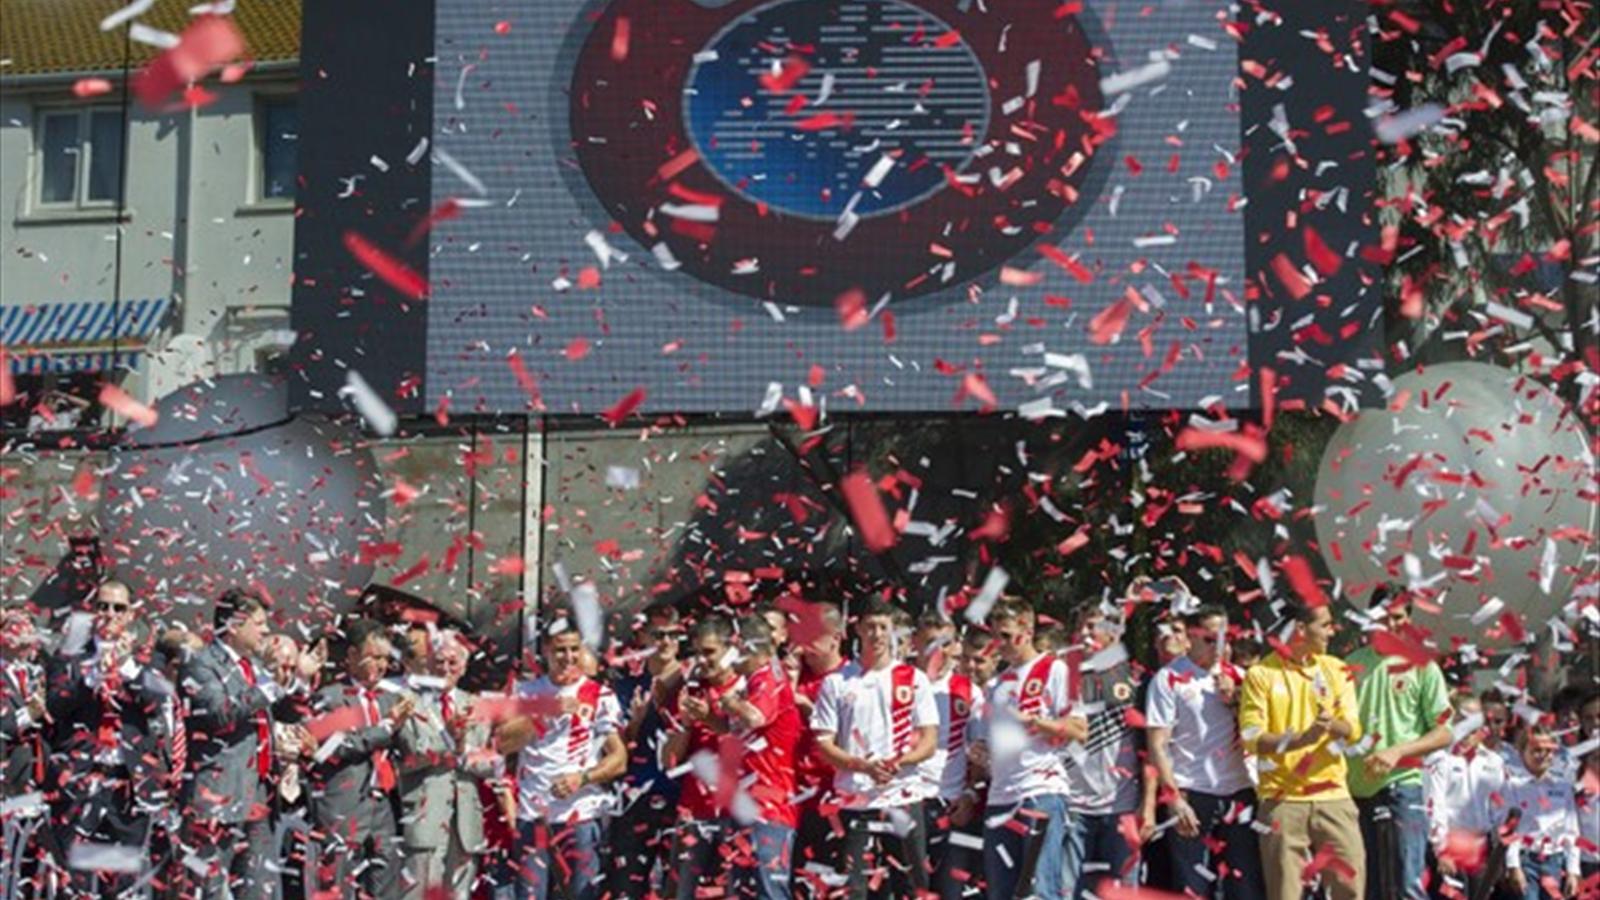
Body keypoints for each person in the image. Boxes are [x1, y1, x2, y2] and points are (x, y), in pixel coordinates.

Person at [45, 580, 177, 897]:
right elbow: (55, 705)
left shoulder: (147, 660)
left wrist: (127, 667)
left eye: (118, 608)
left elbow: (157, 703)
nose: (110, 613)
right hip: (83, 779)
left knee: (120, 880)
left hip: (126, 783)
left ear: (130, 614)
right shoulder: (69, 654)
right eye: (102, 606)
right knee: (77, 878)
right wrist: (90, 677)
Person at [810, 599, 939, 900]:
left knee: (913, 887)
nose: (877, 634)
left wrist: (898, 762)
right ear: (857, 629)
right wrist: (863, 766)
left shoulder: (914, 678)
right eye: (870, 627)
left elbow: (930, 741)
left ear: (893, 631)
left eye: (883, 627)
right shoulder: (837, 682)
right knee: (852, 888)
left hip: (903, 797)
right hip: (855, 799)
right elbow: (824, 744)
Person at [1238, 599, 1364, 900]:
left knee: (1350, 889)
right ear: (1300, 629)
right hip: (1281, 801)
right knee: (1285, 893)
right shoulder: (1261, 674)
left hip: (1334, 796)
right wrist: (1302, 740)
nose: (1331, 632)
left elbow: (1354, 730)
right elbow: (1251, 738)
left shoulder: (1336, 668)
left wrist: (1332, 725)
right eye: (1325, 625)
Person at [1146, 604, 1264, 900]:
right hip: (1193, 792)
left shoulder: (1240, 677)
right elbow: (1158, 743)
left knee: (1245, 884)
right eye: (1211, 639)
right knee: (1193, 886)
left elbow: (1258, 736)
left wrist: (1235, 702)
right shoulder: (1168, 678)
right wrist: (1173, 798)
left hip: (1238, 792)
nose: (1219, 647)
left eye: (1225, 639)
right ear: (1190, 638)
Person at [970, 597, 1085, 900]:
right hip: (1000, 795)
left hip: (1040, 791)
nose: (1000, 644)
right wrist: (981, 752)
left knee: (1039, 890)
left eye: (1006, 636)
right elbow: (990, 741)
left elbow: (1078, 730)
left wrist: (1034, 721)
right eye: (996, 637)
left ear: (1028, 629)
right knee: (1000, 892)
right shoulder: (996, 685)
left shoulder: (1058, 669)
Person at [178, 587, 288, 900]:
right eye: (259, 623)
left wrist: (294, 681)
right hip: (218, 798)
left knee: (258, 890)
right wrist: (267, 685)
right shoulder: (200, 664)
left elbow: (275, 712)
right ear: (234, 625)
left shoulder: (253, 668)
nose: (267, 630)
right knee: (210, 892)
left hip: (257, 796)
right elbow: (219, 714)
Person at [1346, 591, 1454, 900]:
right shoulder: (1349, 666)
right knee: (1367, 888)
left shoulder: (1423, 666)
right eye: (1383, 617)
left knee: (1407, 883)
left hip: (1403, 787)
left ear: (1408, 621)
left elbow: (1444, 732)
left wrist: (1398, 751)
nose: (1390, 624)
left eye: (1398, 618)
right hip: (1356, 791)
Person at [508, 620, 626, 900]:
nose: (569, 657)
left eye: (575, 649)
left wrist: (582, 778)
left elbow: (619, 759)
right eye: (561, 650)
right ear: (547, 650)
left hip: (580, 815)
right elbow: (503, 743)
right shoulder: (526, 692)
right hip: (534, 814)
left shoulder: (599, 694)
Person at [308, 618, 414, 898]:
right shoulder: (329, 697)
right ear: (353, 655)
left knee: (384, 886)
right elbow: (335, 747)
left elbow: (407, 748)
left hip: (384, 807)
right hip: (345, 806)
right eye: (374, 657)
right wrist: (386, 727)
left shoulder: (390, 699)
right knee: (338, 886)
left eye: (386, 659)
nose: (381, 666)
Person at [396, 629, 497, 899]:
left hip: (465, 820)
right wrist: (449, 742)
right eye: (439, 661)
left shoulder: (476, 705)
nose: (445, 668)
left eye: (453, 662)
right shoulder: (409, 701)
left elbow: (488, 765)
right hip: (426, 816)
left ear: (463, 668)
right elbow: (408, 756)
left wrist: (464, 750)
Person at [1064, 603, 1152, 899]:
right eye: (1083, 627)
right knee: (1067, 892)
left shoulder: (1137, 679)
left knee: (1122, 892)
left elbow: (1151, 747)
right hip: (1072, 806)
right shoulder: (1062, 675)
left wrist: (1148, 805)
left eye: (1094, 626)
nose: (1086, 633)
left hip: (1121, 805)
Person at [719, 615, 802, 900]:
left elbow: (756, 717)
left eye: (736, 648)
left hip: (768, 807)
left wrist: (731, 702)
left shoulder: (768, 678)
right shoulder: (754, 681)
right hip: (746, 804)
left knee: (769, 892)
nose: (731, 657)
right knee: (742, 891)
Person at [662, 615, 741, 899]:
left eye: (709, 652)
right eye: (697, 653)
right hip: (695, 811)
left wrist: (710, 718)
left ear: (730, 648)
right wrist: (685, 723)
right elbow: (668, 761)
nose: (702, 660)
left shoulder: (747, 688)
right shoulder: (690, 692)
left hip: (737, 812)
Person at [609, 604, 685, 898]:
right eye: (658, 635)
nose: (665, 642)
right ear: (643, 639)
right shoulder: (626, 687)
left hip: (680, 798)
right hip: (635, 797)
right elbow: (615, 748)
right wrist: (636, 722)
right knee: (628, 886)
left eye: (671, 635)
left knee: (677, 887)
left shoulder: (694, 681)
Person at [911, 611, 985, 900]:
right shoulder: (897, 682)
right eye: (930, 643)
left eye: (945, 643)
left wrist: (970, 795)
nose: (938, 651)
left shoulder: (968, 692)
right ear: (915, 643)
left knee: (951, 890)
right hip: (906, 801)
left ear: (955, 646)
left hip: (950, 806)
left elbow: (979, 752)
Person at [1422, 694, 1504, 900]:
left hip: (1482, 848)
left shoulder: (1493, 761)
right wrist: (1442, 849)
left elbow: (1499, 807)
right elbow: (1434, 805)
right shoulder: (1440, 759)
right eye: (1462, 719)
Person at [791, 601, 846, 895]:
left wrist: (810, 710)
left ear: (835, 638)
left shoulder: (851, 679)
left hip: (831, 800)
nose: (804, 646)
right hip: (791, 798)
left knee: (828, 883)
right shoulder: (796, 675)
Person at [1496, 722, 1582, 900]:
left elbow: (1571, 832)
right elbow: (1509, 830)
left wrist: (1573, 870)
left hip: (1555, 861)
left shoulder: (1563, 787)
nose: (1543, 755)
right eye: (1536, 750)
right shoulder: (1514, 786)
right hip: (1527, 859)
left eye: (1548, 750)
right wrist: (1514, 866)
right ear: (1522, 753)